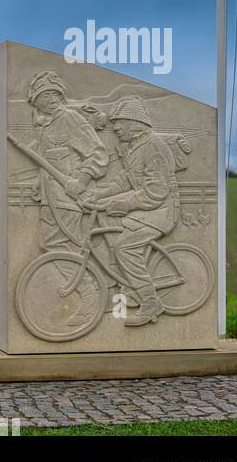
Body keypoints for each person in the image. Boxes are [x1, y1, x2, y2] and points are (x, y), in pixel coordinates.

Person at [81, 96, 179, 326]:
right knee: (111, 228)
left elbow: (155, 193)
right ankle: (128, 286)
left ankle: (150, 301)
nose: (114, 127)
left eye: (119, 123)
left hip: (161, 210)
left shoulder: (153, 147)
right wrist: (100, 195)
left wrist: (123, 204)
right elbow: (126, 179)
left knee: (125, 249)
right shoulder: (133, 146)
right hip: (148, 206)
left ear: (134, 124)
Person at [24, 71, 108, 327]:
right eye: (44, 95)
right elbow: (49, 163)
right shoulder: (47, 126)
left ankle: (91, 299)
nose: (50, 99)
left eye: (54, 94)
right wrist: (40, 187)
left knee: (61, 248)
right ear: (35, 101)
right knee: (59, 247)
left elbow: (98, 154)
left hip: (70, 201)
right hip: (52, 201)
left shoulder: (71, 118)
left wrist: (81, 181)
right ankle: (94, 294)